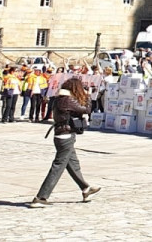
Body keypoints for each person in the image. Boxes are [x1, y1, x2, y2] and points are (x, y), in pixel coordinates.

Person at [31, 78, 100, 207]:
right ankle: (41, 197)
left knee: (73, 164)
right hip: (66, 136)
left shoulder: (60, 98)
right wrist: (89, 96)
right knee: (58, 166)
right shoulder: (67, 100)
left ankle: (85, 189)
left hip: (61, 134)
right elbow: (86, 110)